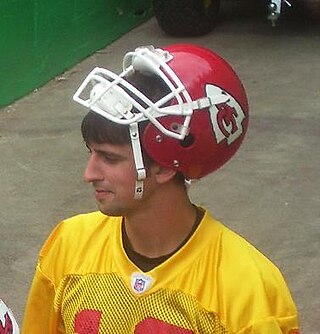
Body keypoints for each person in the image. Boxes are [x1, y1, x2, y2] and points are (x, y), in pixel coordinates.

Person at [22, 44, 300, 333]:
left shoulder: (247, 289)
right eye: (91, 153)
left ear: (167, 166)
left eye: (110, 158)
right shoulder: (68, 245)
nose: (89, 174)